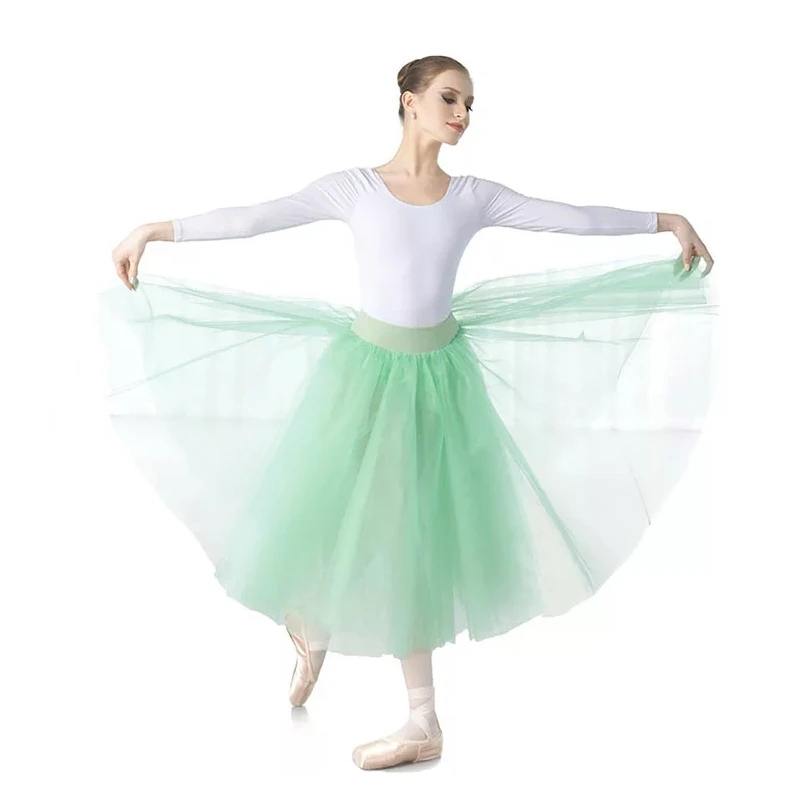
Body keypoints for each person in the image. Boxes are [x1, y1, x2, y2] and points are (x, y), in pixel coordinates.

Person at [100, 55, 717, 771]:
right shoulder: (355, 189)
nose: (462, 114)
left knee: (410, 534)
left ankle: (420, 716)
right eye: (449, 98)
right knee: (331, 510)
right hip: (364, 374)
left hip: (438, 383)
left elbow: (571, 219)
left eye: (470, 104)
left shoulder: (473, 197)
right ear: (409, 100)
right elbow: (257, 217)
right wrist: (155, 229)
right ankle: (316, 627)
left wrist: (664, 220)